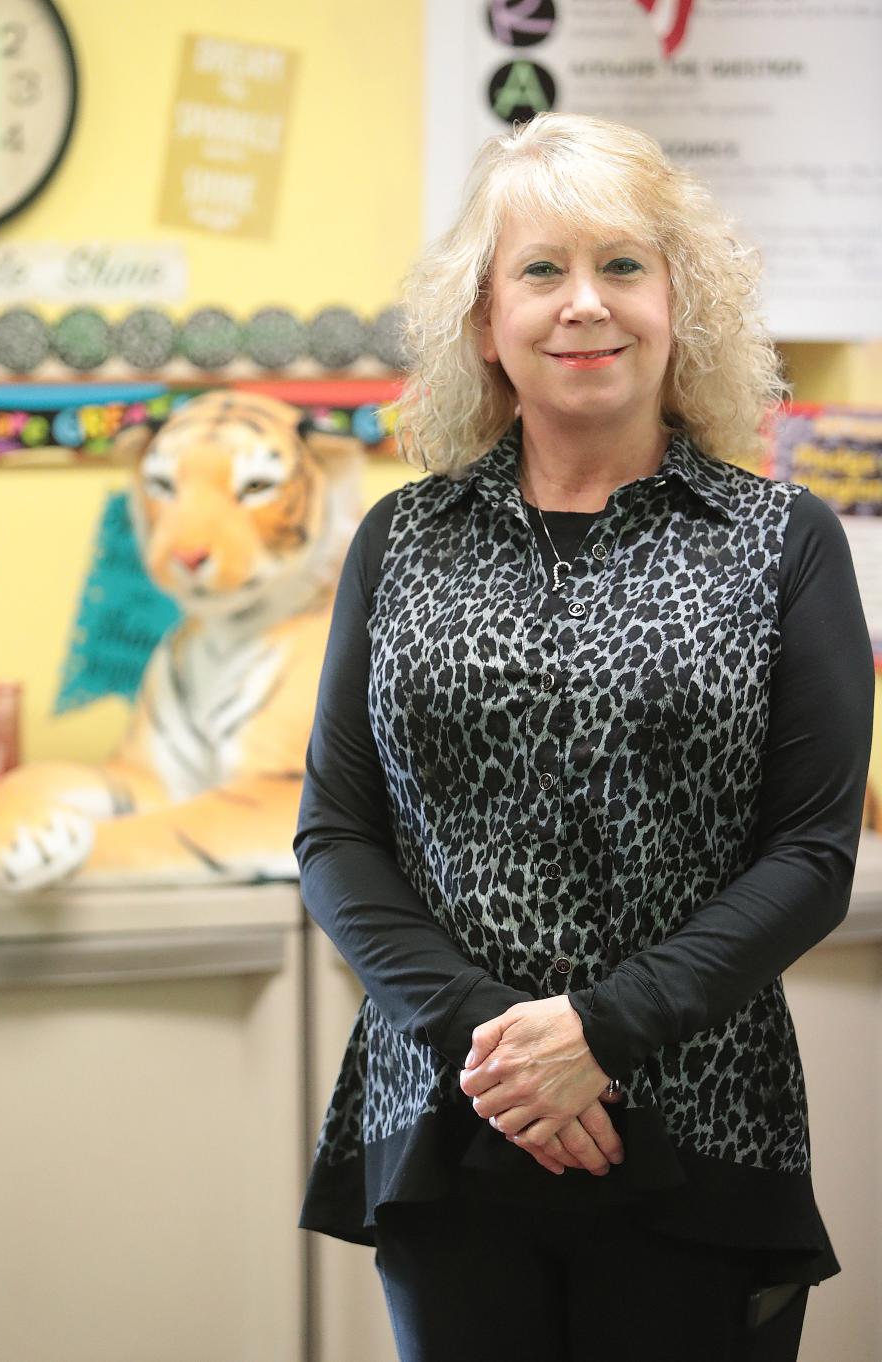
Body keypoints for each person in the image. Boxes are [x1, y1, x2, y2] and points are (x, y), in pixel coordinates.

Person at [294, 112, 873, 1362]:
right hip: (451, 1124)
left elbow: (811, 856)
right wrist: (503, 1050)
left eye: (623, 265)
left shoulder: (783, 544)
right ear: (484, 319)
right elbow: (338, 836)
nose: (584, 306)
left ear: (681, 303)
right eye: (541, 270)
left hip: (701, 1131)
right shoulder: (403, 541)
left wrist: (597, 1036)